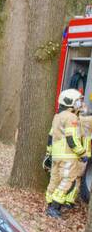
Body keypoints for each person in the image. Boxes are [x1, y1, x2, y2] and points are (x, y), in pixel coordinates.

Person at [44, 88, 87, 218]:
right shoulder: (71, 117)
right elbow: (71, 138)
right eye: (78, 101)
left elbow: (50, 136)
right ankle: (54, 207)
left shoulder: (57, 117)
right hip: (68, 156)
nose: (80, 104)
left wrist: (49, 153)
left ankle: (50, 203)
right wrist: (82, 153)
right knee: (67, 181)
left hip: (56, 155)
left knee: (54, 179)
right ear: (70, 102)